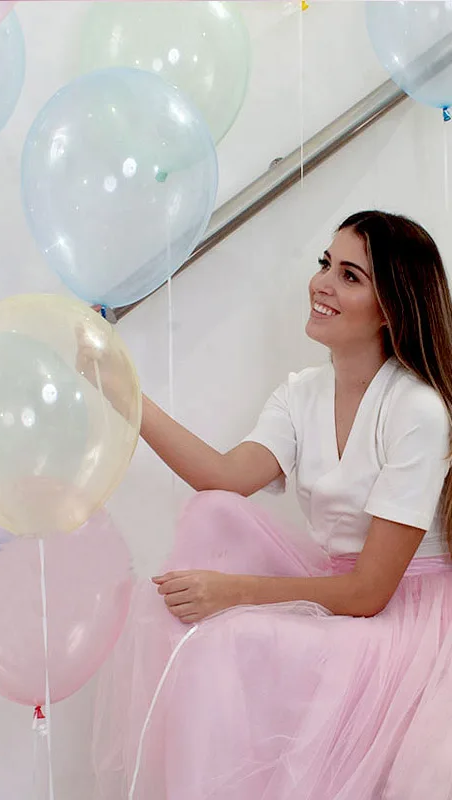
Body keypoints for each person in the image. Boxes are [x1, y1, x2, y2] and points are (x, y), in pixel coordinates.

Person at [90, 211, 452, 799]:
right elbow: (222, 477)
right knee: (213, 514)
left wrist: (232, 594)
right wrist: (123, 392)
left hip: (407, 613)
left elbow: (370, 592)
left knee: (230, 640)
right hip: (344, 589)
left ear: (390, 307)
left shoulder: (417, 410)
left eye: (350, 276)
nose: (322, 283)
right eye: (325, 264)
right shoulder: (301, 393)